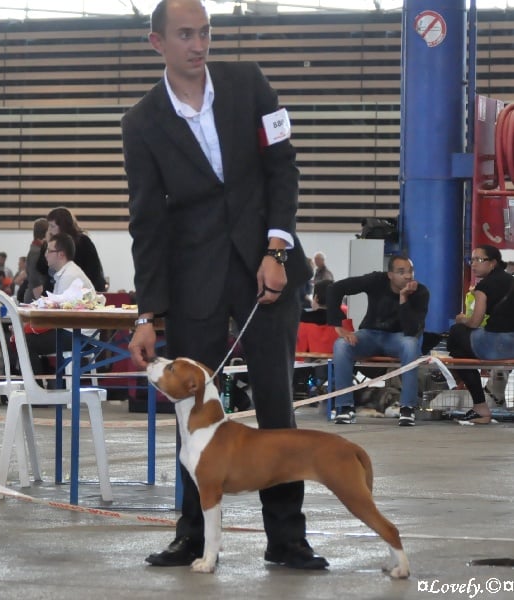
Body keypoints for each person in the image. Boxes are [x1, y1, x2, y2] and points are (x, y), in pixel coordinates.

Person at [123, 0, 324, 571]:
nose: (199, 45)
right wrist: (147, 314)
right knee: (190, 414)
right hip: (194, 281)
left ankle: (287, 539)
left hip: (268, 271)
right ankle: (192, 537)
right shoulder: (141, 122)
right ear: (157, 42)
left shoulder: (250, 84)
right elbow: (147, 222)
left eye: (205, 33)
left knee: (276, 406)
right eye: (185, 34)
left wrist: (277, 249)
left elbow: (284, 167)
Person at [327, 254, 429, 426]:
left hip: (399, 338)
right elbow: (334, 289)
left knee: (411, 345)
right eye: (401, 272)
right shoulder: (376, 280)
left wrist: (403, 299)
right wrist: (337, 325)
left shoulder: (421, 292)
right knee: (341, 345)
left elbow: (411, 331)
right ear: (390, 275)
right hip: (370, 334)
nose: (408, 276)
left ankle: (407, 408)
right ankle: (344, 407)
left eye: (410, 271)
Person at [447, 245, 514, 424]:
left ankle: (480, 406)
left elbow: (475, 322)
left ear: (492, 263)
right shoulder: (511, 280)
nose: (474, 264)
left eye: (479, 259)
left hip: (495, 345)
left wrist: (462, 319)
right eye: (472, 260)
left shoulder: (483, 286)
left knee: (456, 334)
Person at [25, 232, 95, 379]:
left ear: (61, 254)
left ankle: (36, 389)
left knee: (25, 342)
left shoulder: (69, 275)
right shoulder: (65, 273)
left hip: (80, 335)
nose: (45, 255)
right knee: (25, 337)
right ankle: (42, 385)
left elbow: (56, 315)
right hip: (73, 330)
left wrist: (30, 325)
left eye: (49, 251)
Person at [36, 207, 106, 293]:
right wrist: (47, 244)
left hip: (77, 289)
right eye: (49, 226)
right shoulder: (51, 241)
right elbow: (41, 267)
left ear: (63, 226)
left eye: (52, 226)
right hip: (53, 288)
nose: (49, 230)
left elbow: (94, 270)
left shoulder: (82, 242)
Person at [23, 217, 49, 303]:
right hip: (35, 298)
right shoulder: (36, 252)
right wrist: (42, 301)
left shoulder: (36, 249)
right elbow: (35, 279)